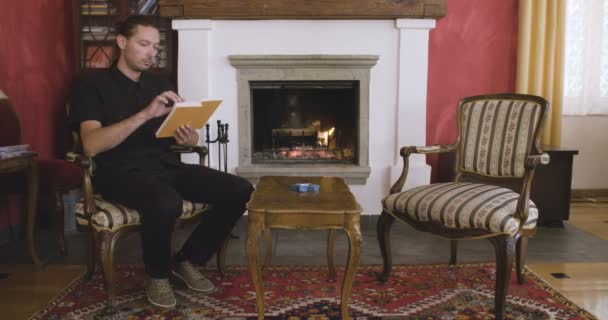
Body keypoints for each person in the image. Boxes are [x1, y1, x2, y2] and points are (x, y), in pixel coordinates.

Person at [69, 15, 254, 308]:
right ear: (122, 43)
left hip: (166, 166)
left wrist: (189, 138)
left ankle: (188, 260)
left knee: (239, 189)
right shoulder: (91, 86)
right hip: (119, 172)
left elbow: (174, 133)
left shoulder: (159, 83)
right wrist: (145, 113)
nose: (151, 53)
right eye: (144, 44)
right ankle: (157, 275)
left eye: (155, 46)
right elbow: (91, 145)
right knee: (166, 200)